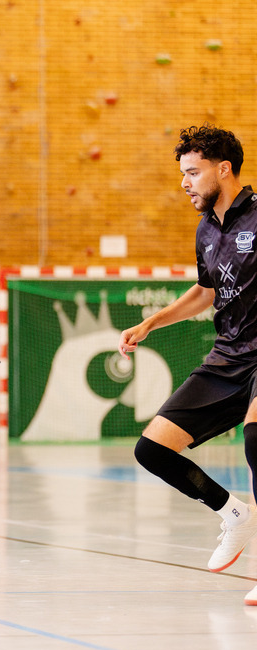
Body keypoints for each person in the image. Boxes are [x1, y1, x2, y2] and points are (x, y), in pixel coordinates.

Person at [119, 124, 257, 605]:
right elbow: (205, 291)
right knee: (152, 450)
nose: (185, 182)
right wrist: (150, 323)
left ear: (224, 169)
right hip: (229, 355)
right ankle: (234, 513)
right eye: (183, 173)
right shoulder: (206, 231)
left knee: (256, 438)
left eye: (194, 172)